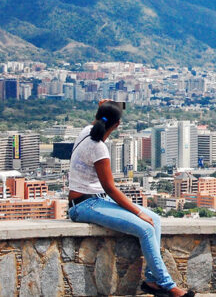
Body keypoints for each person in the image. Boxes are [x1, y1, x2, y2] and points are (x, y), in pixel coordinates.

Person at [67, 101, 193, 297]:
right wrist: (138, 212)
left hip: (94, 201)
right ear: (117, 125)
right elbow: (110, 188)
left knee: (156, 220)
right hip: (83, 205)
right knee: (145, 227)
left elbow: (101, 116)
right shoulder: (98, 147)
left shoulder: (86, 131)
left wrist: (107, 106)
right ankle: (168, 286)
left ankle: (152, 281)